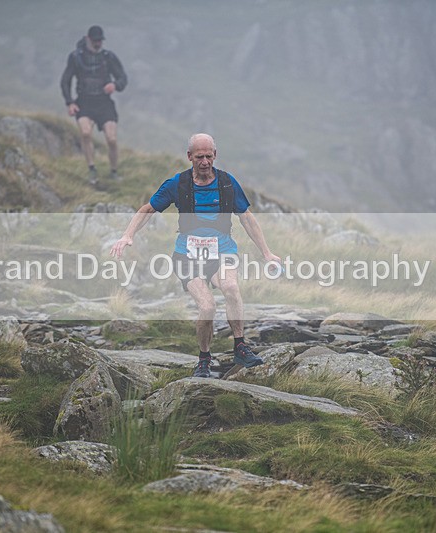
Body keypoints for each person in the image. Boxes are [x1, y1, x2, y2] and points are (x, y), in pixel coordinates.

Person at [110, 133, 281, 378]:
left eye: (209, 156)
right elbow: (147, 210)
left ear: (215, 155)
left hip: (222, 251)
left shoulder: (227, 183)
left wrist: (267, 253)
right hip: (187, 256)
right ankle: (203, 359)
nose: (204, 162)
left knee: (231, 288)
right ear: (189, 156)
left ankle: (240, 346)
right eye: (199, 157)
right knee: (208, 306)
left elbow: (246, 219)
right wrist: (128, 235)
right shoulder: (176, 184)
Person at [61, 25, 128, 186]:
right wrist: (70, 102)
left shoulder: (108, 57)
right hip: (84, 102)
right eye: (95, 41)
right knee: (85, 133)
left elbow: (123, 78)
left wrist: (115, 85)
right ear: (88, 39)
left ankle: (113, 171)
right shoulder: (76, 57)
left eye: (100, 41)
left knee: (111, 139)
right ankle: (92, 169)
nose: (98, 44)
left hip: (104, 103)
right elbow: (65, 81)